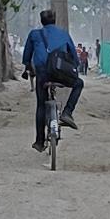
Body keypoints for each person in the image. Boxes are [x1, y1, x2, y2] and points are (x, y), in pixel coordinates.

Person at [22, 9, 84, 152]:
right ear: (54, 21)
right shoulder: (64, 34)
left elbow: (26, 57)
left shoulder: (34, 34)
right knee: (79, 83)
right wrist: (72, 69)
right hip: (60, 73)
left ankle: (39, 141)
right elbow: (75, 59)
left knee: (41, 105)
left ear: (41, 21)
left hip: (42, 74)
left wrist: (28, 67)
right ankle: (67, 112)